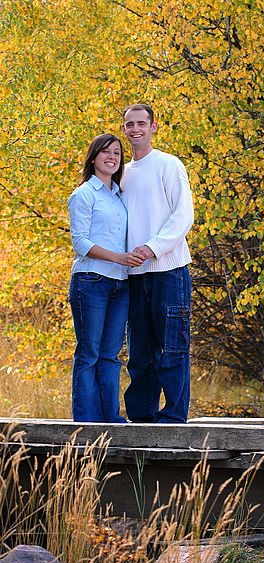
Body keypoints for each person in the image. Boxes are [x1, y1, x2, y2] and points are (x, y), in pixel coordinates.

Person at [121, 103, 194, 423]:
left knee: (172, 350)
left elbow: (184, 216)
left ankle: (174, 419)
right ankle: (142, 417)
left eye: (141, 123)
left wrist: (152, 248)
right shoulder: (121, 172)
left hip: (170, 272)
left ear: (153, 127)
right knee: (139, 354)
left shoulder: (169, 165)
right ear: (123, 129)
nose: (135, 129)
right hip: (134, 275)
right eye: (129, 124)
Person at [68, 133, 145, 422]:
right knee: (89, 353)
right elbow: (81, 243)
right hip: (92, 281)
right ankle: (86, 422)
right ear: (93, 158)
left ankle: (110, 418)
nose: (112, 157)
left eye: (116, 153)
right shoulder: (83, 195)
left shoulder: (118, 196)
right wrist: (119, 258)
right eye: (105, 152)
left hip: (120, 284)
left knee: (110, 355)